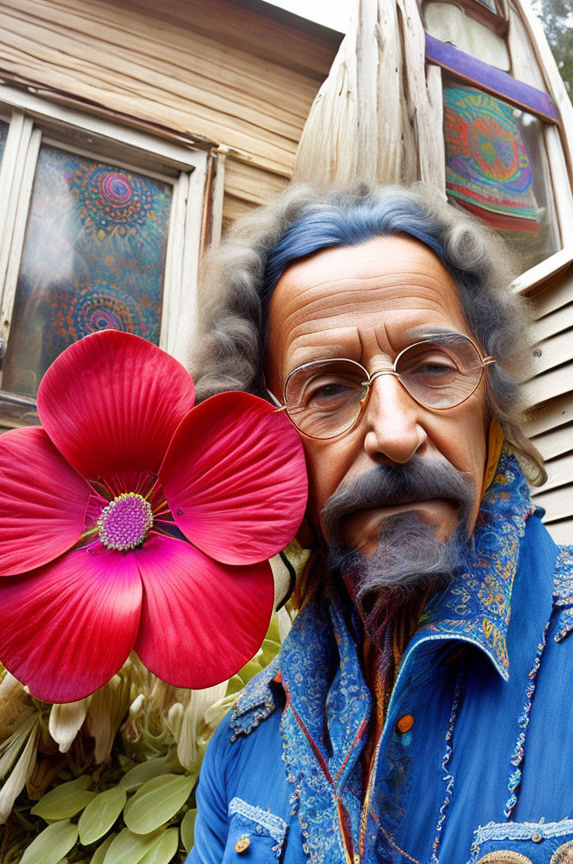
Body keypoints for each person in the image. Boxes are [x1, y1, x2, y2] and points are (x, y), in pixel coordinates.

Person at [186, 184, 573, 864]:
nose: (395, 432)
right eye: (328, 389)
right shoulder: (244, 745)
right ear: (264, 438)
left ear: (490, 399)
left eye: (432, 367)